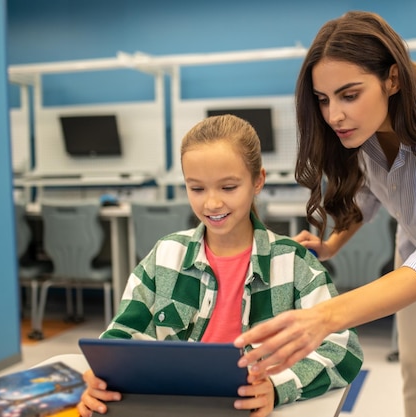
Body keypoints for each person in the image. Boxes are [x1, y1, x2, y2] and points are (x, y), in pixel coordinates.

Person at [234, 10, 416, 417]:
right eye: (323, 99)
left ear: (392, 79)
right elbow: (371, 194)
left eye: (349, 94)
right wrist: (333, 244)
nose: (334, 115)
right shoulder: (362, 132)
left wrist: (324, 317)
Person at [77, 114, 363, 417]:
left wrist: (278, 388)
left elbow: (344, 350)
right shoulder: (165, 255)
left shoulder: (294, 264)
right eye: (197, 189)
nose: (211, 203)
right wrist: (102, 378)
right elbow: (121, 336)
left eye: (228, 187)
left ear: (258, 181)